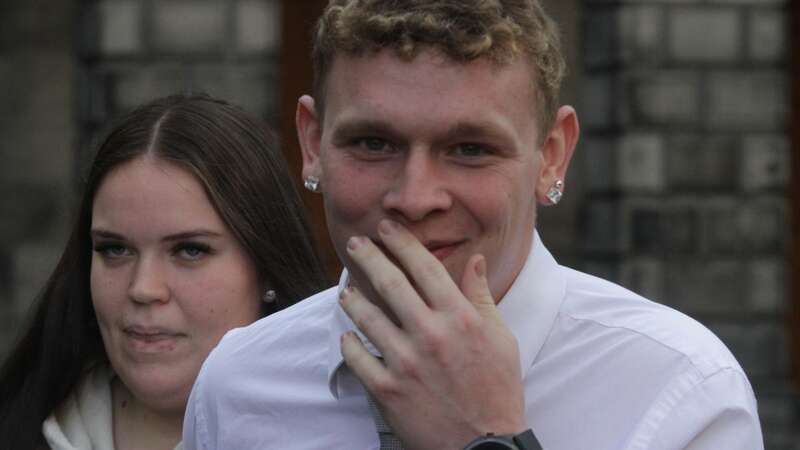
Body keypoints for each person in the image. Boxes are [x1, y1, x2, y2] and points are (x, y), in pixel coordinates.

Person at [184, 1, 764, 449]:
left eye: (469, 149)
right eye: (373, 143)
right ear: (312, 143)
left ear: (553, 155)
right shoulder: (240, 383)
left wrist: (488, 436)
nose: (414, 198)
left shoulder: (678, 387)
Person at [0, 94, 329, 449]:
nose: (143, 288)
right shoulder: (19, 421)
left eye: (190, 250)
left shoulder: (353, 433)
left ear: (267, 267)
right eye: (115, 249)